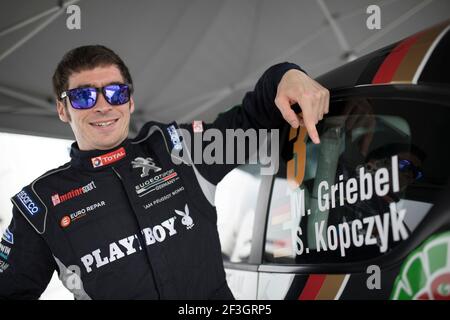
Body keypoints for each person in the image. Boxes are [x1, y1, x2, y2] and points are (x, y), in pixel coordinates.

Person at [0, 45, 329, 299]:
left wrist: (287, 74)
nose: (103, 105)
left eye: (116, 92)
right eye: (83, 96)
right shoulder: (39, 205)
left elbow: (253, 119)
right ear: (62, 109)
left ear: (130, 101)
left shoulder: (177, 149)